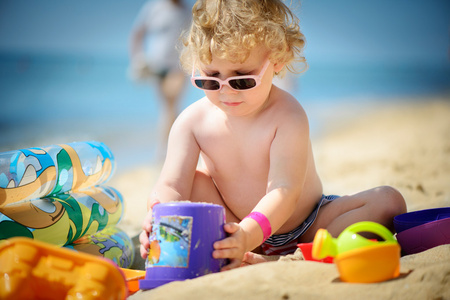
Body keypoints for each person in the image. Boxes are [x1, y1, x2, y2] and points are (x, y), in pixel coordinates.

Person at [139, 0, 407, 271]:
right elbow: (171, 185)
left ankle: (299, 254)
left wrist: (249, 233)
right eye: (210, 78)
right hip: (234, 228)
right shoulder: (191, 122)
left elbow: (284, 191)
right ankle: (247, 253)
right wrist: (158, 218)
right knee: (192, 184)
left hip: (308, 225)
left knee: (388, 200)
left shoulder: (287, 115)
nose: (226, 91)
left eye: (242, 79)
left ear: (277, 60)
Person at [129, 0, 190, 160]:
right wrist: (137, 59)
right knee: (166, 109)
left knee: (171, 107)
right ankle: (168, 148)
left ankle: (167, 150)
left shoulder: (187, 11)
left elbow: (192, 39)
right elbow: (137, 34)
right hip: (156, 67)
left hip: (177, 67)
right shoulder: (154, 7)